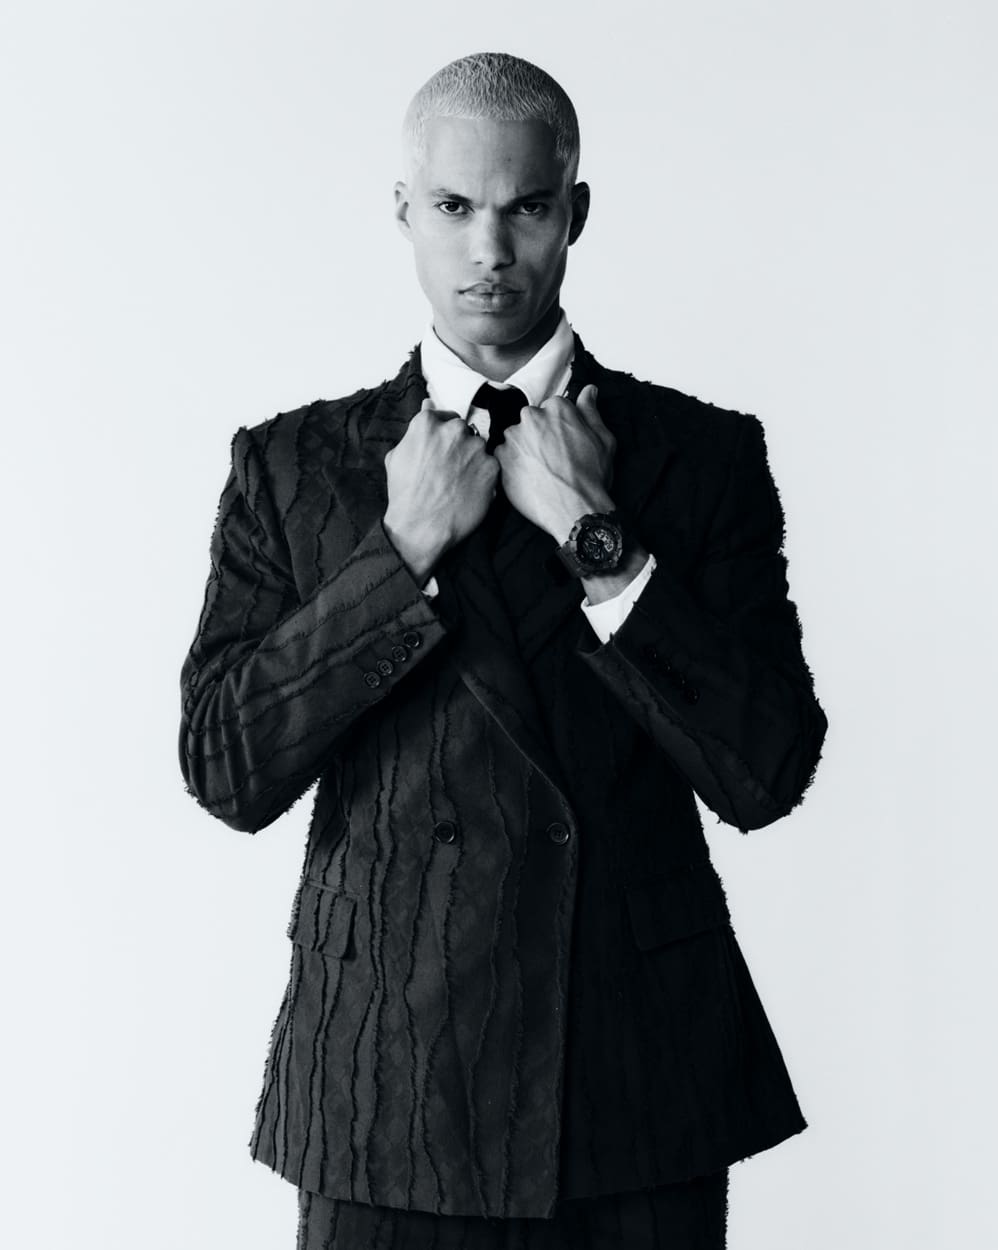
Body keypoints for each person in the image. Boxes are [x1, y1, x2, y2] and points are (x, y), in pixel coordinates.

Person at [179, 50, 827, 1250]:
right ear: (403, 211)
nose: (489, 249)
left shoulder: (698, 457)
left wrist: (600, 542)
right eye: (452, 206)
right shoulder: (293, 466)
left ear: (573, 210)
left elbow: (765, 768)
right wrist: (396, 553)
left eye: (524, 207)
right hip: (385, 1082)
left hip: (633, 1081)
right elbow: (226, 766)